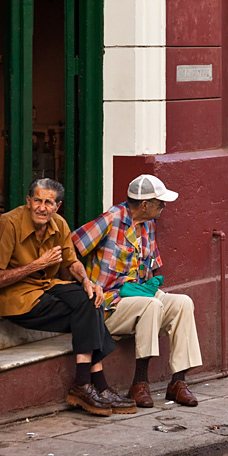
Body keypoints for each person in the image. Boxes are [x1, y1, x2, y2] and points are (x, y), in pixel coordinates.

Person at [0, 179, 136, 416]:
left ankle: (84, 385)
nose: (42, 207)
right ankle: (96, 384)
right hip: (19, 298)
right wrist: (37, 265)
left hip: (48, 286)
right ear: (28, 201)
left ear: (57, 206)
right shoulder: (8, 223)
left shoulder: (58, 224)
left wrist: (86, 281)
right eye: (38, 201)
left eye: (48, 202)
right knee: (86, 312)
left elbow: (72, 262)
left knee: (90, 297)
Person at [72, 174, 203, 408]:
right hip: (109, 305)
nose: (163, 206)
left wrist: (155, 290)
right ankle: (139, 383)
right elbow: (72, 245)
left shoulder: (149, 225)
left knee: (183, 302)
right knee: (150, 305)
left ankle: (178, 382)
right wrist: (84, 282)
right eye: (159, 202)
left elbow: (151, 267)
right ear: (144, 204)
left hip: (139, 298)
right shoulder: (112, 219)